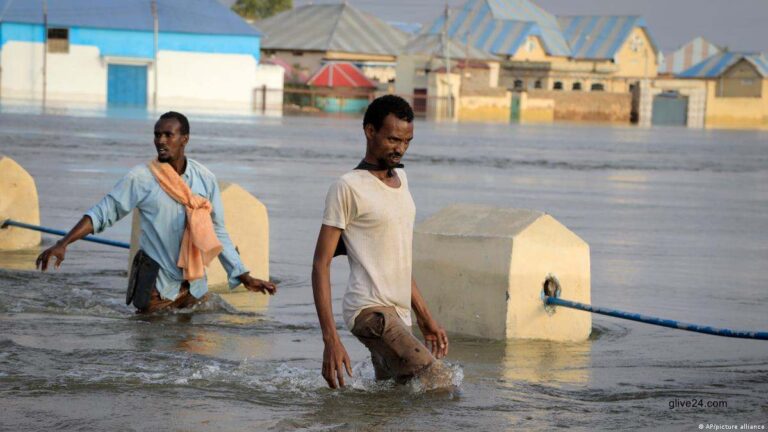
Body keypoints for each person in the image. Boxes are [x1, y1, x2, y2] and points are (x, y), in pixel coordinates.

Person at [35, 111, 276, 313]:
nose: (160, 140)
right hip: (156, 289)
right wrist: (63, 243)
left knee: (196, 356)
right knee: (151, 357)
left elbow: (217, 231)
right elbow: (103, 212)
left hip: (194, 287)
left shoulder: (205, 179)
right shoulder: (141, 178)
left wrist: (243, 276)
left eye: (168, 135)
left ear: (184, 139)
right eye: (157, 135)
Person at [311, 95, 449, 389]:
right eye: (393, 139)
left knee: (390, 404)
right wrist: (330, 339)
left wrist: (424, 318)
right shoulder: (347, 187)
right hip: (370, 312)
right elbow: (320, 263)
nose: (400, 148)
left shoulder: (402, 180)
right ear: (369, 131)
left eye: (407, 141)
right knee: (440, 383)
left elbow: (398, 260)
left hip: (398, 314)